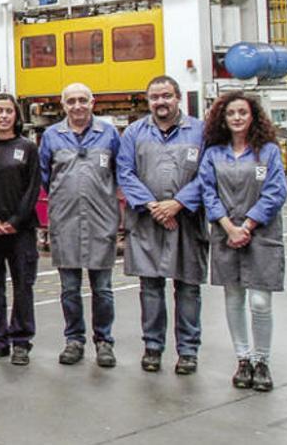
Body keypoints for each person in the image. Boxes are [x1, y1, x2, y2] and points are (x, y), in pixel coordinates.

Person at [117, 76, 208, 374]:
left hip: (187, 221)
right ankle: (153, 347)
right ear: (148, 101)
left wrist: (178, 203)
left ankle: (188, 351)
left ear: (178, 97)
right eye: (155, 97)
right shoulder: (133, 132)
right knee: (151, 286)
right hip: (147, 221)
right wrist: (153, 206)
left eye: (166, 95)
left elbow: (207, 174)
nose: (161, 102)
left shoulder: (199, 131)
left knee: (188, 287)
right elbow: (125, 173)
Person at [199, 91, 287, 392]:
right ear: (223, 119)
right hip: (226, 235)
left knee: (260, 301)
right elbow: (207, 192)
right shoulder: (213, 154)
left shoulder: (269, 152)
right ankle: (243, 359)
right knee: (234, 299)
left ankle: (262, 361)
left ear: (253, 117)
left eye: (243, 113)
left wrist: (246, 225)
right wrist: (227, 226)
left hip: (261, 235)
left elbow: (276, 191)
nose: (237, 118)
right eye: (231, 113)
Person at [40, 82, 120, 368]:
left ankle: (104, 342)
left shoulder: (109, 134)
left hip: (101, 222)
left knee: (103, 289)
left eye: (82, 100)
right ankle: (74, 340)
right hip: (66, 222)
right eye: (71, 101)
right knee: (70, 288)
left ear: (92, 102)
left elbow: (118, 175)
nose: (77, 106)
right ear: (63, 106)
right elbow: (45, 178)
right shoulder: (51, 136)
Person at [0, 93, 41, 366]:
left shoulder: (27, 148)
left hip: (21, 230)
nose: (3, 116)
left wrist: (15, 221)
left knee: (23, 285)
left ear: (16, 116)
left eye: (8, 111)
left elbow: (32, 188)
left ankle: (21, 341)